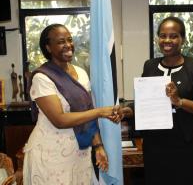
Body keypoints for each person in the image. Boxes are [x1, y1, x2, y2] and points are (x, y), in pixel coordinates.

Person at [121, 16, 193, 185]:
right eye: (162, 35)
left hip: (187, 148)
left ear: (183, 39)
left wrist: (179, 101)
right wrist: (128, 111)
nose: (167, 40)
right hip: (155, 147)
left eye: (173, 36)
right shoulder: (150, 66)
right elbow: (144, 102)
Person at [23, 23, 121, 185]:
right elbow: (60, 120)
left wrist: (98, 146)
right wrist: (100, 111)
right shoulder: (42, 78)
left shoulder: (81, 73)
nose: (68, 45)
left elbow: (87, 113)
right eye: (61, 41)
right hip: (50, 154)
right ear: (48, 47)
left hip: (79, 153)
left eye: (69, 40)